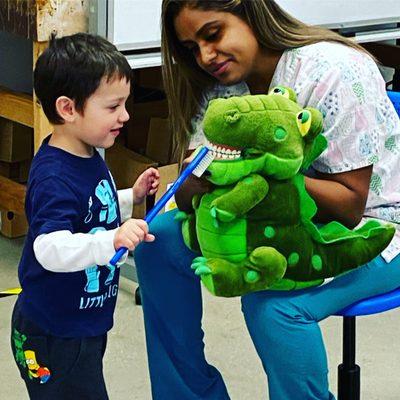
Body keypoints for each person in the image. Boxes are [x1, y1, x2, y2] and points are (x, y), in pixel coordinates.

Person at [134, 1, 400, 399]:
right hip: (272, 216)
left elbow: (349, 206)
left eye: (213, 33)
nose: (206, 56)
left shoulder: (335, 70)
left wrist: (261, 172)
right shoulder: (224, 88)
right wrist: (201, 176)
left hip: (376, 227)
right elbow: (190, 188)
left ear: (249, 12)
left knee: (273, 305)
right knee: (158, 240)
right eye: (192, 47)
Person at [10, 33, 159, 400]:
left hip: (81, 322)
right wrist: (111, 240)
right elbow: (50, 247)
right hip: (56, 332)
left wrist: (131, 197)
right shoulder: (53, 176)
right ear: (68, 108)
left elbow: (90, 208)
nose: (125, 116)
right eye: (113, 107)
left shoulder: (87, 153)